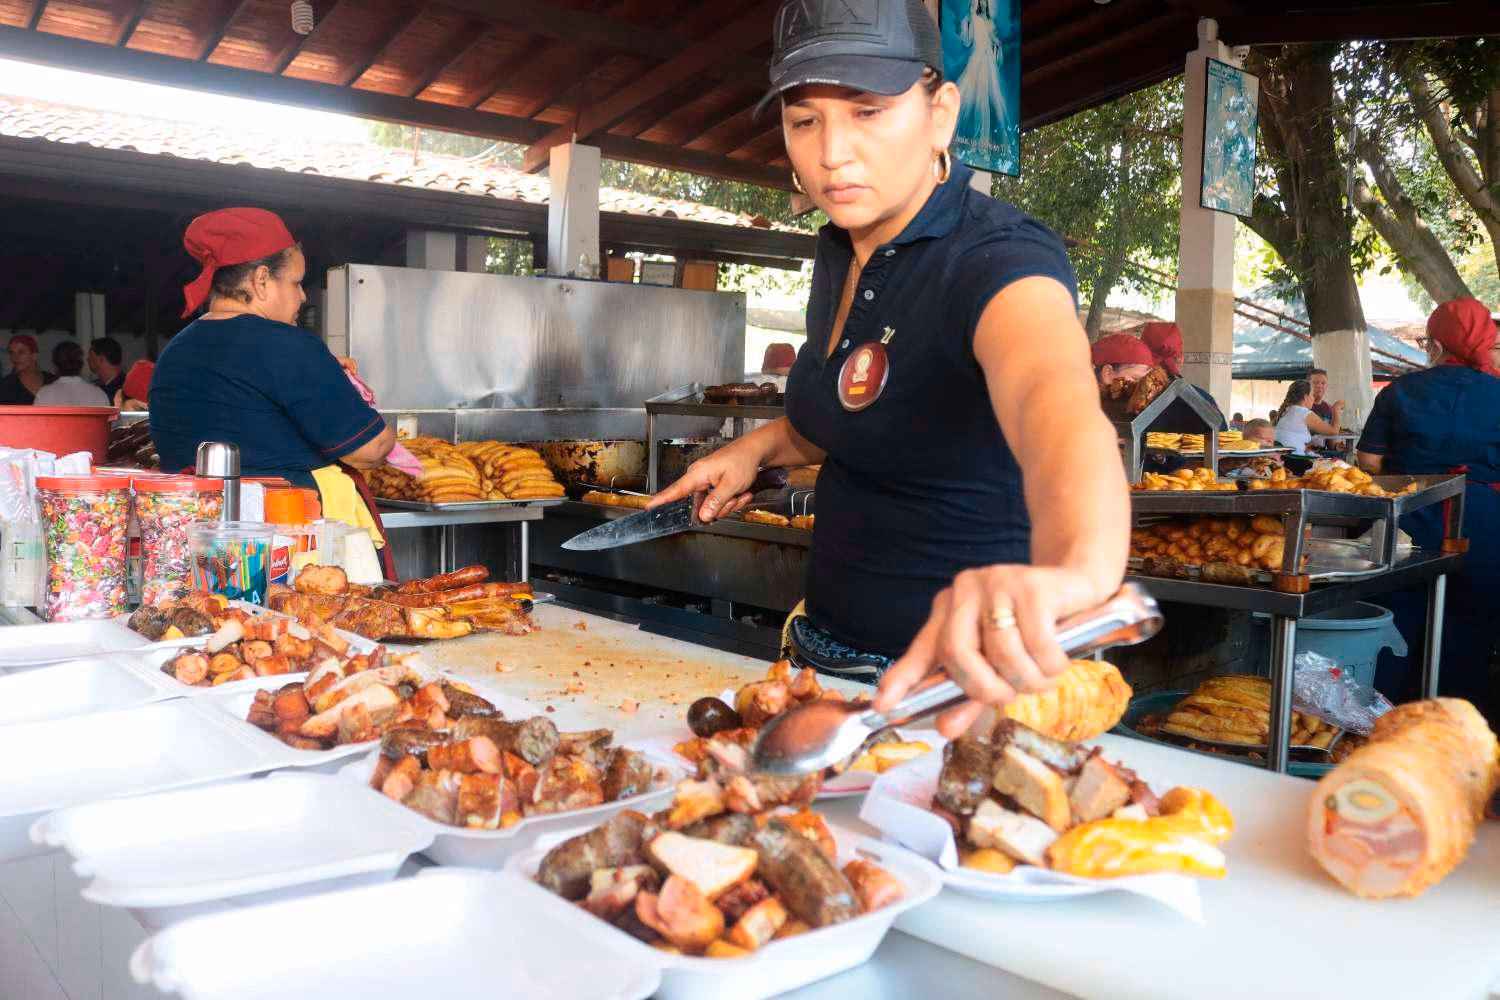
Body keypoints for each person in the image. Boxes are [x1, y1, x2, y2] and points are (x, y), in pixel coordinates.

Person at [653, 0, 1129, 736]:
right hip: (823, 665)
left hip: (960, 697)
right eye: (804, 119)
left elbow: (1055, 400)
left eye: (868, 112)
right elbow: (853, 415)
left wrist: (1080, 571)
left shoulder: (996, 260)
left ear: (940, 113)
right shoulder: (841, 247)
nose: (831, 152)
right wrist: (755, 449)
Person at [150, 207, 397, 575]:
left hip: (195, 552)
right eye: (296, 282)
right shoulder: (288, 345)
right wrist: (392, 431)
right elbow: (369, 449)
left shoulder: (174, 353)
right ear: (262, 280)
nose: (302, 297)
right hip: (291, 554)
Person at [1356, 298, 1500, 712]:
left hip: (1410, 520)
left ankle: (1381, 729)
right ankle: (1455, 737)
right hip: (1484, 527)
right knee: (1470, 635)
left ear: (1437, 344)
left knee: (1395, 629)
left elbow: (1368, 462)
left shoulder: (1401, 392)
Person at [1274, 379, 1343, 453]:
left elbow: (1292, 437)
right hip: (1296, 458)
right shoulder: (1303, 412)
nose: (1313, 398)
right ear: (1305, 397)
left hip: (1286, 457)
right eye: (1312, 395)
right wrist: (1337, 408)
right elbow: (1333, 431)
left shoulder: (1287, 410)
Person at [34, 342, 111, 406]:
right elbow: (110, 423)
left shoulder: (45, 394)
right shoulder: (98, 394)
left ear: (55, 364)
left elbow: (36, 423)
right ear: (81, 364)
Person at [0, 335, 56, 405]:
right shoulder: (5, 385)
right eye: (12, 353)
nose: (15, 357)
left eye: (21, 352)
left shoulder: (53, 382)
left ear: (34, 355)